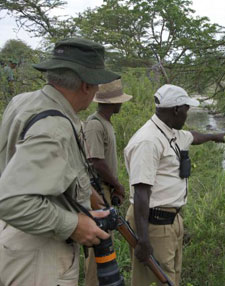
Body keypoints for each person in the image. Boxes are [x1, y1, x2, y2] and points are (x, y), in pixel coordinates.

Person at [0, 38, 120, 286]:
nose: (98, 91)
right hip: (39, 259)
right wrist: (74, 225)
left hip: (11, 242)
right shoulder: (55, 128)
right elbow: (10, 201)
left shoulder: (23, 101)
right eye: (97, 84)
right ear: (86, 84)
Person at [124, 84, 225, 286]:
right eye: (187, 109)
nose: (188, 115)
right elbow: (142, 192)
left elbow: (193, 137)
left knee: (171, 275)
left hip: (170, 220)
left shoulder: (170, 132)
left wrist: (214, 137)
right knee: (155, 279)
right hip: (154, 224)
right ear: (177, 109)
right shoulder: (148, 141)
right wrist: (143, 241)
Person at [83, 79, 132, 286]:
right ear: (112, 102)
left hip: (105, 189)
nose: (121, 104)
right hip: (97, 191)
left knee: (105, 244)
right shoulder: (95, 124)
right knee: (98, 246)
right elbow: (95, 160)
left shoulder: (105, 123)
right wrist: (117, 185)